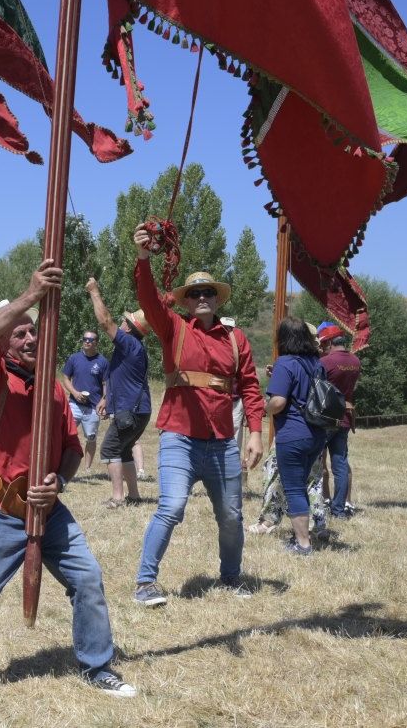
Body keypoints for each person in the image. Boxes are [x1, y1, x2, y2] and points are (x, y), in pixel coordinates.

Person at [0, 260, 135, 697]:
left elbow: (72, 450)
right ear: (4, 342)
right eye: (18, 332)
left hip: (49, 510)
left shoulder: (55, 389)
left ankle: (97, 667)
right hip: (0, 509)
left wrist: (60, 480)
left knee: (88, 578)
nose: (30, 336)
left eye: (33, 330)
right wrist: (32, 294)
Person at [130, 223, 265, 607]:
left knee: (232, 516)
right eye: (195, 293)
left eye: (209, 292)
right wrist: (143, 257)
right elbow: (148, 298)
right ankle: (145, 583)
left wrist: (255, 432)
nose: (203, 297)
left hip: (222, 442)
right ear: (186, 301)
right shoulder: (173, 328)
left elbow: (251, 387)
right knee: (171, 507)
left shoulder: (236, 340)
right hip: (179, 437)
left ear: (217, 300)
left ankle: (231, 576)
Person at [265, 317, 330, 554]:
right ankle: (305, 534)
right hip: (317, 434)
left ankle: (303, 544)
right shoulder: (317, 363)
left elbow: (279, 402)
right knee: (303, 485)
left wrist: (266, 407)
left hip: (293, 433)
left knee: (293, 488)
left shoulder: (285, 363)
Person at [85, 278, 151, 508]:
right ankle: (133, 496)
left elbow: (104, 321)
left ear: (129, 328)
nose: (120, 323)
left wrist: (94, 292)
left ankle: (118, 498)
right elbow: (120, 378)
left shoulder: (129, 344)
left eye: (124, 321)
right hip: (138, 410)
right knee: (123, 451)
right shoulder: (134, 348)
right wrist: (106, 398)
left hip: (130, 411)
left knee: (110, 448)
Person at [317, 322, 362, 518]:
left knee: (317, 463)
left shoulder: (325, 363)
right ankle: (339, 509)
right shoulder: (355, 361)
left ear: (328, 342)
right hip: (344, 417)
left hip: (325, 418)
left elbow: (316, 389)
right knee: (340, 465)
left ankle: (319, 504)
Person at [60, 328, 108, 471]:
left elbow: (106, 384)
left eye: (90, 340)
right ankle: (61, 462)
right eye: (85, 339)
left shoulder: (103, 362)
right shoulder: (74, 358)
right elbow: (66, 378)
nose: (87, 342)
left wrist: (103, 400)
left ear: (96, 342)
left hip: (93, 407)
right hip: (74, 404)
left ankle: (87, 468)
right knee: (65, 434)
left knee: (91, 437)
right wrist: (74, 393)